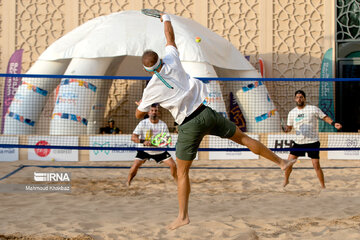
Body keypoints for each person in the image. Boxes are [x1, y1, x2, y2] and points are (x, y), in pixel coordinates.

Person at [135, 13, 295, 230]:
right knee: (244, 138)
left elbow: (138, 115)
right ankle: (282, 163)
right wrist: (165, 17)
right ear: (160, 60)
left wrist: (141, 104)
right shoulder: (172, 58)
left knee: (182, 173)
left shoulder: (151, 87)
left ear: (146, 69)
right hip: (206, 112)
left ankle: (183, 216)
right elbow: (169, 36)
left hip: (189, 124)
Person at [283, 90, 342, 188]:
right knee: (288, 164)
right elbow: (289, 128)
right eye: (297, 97)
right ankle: (286, 180)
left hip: (312, 142)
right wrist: (286, 129)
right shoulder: (292, 113)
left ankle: (323, 186)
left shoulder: (312, 109)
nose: (299, 99)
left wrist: (333, 123)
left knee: (316, 165)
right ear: (295, 99)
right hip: (298, 143)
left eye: (301, 97)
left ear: (304, 98)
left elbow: (324, 117)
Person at [128, 104, 177, 186]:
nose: (154, 112)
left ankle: (177, 180)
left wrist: (157, 143)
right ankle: (128, 182)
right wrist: (143, 141)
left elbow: (167, 139)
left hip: (159, 151)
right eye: (152, 111)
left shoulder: (163, 124)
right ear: (148, 112)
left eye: (156, 111)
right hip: (144, 150)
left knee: (173, 165)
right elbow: (133, 137)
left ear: (158, 113)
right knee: (135, 166)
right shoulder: (143, 123)